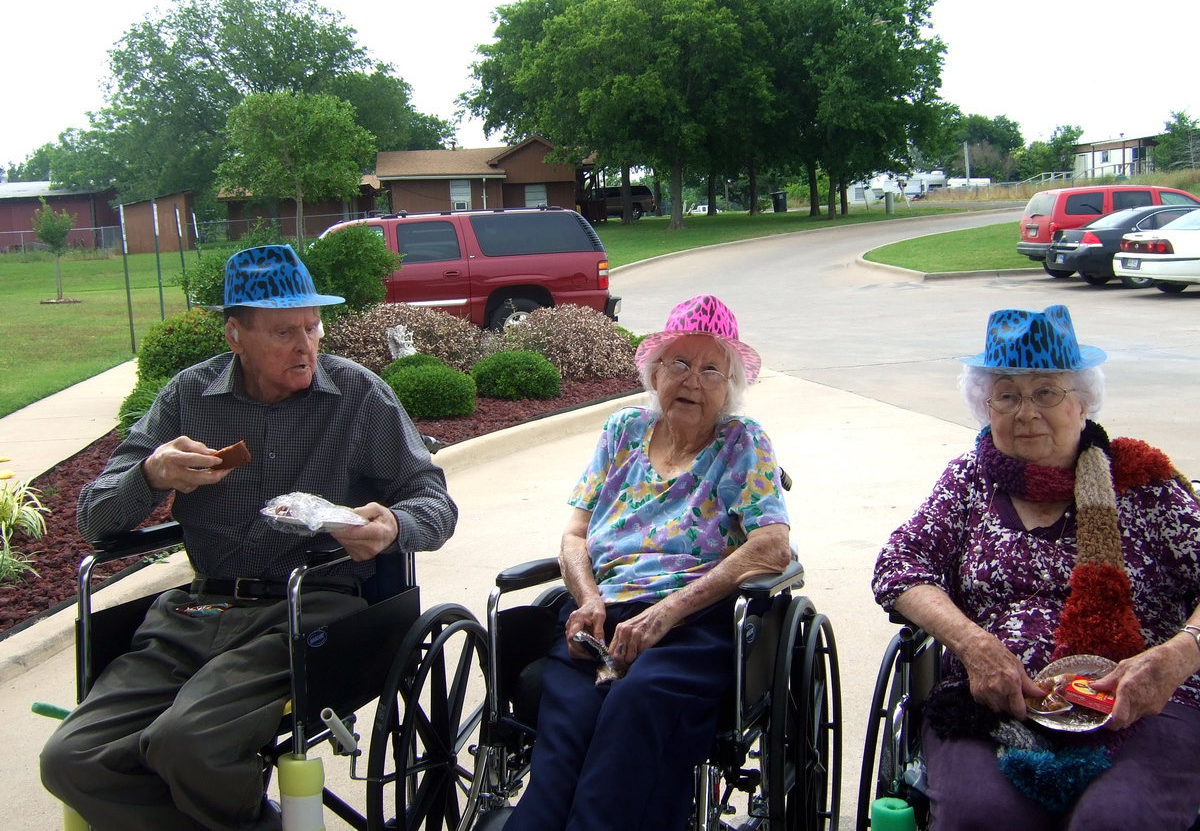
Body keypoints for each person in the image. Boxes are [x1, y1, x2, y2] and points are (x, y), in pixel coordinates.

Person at [40, 244, 458, 831]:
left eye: (313, 326)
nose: (307, 345)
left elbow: (434, 500)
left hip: (307, 608)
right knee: (70, 759)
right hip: (196, 609)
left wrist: (394, 526)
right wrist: (151, 473)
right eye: (285, 331)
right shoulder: (189, 398)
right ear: (235, 334)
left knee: (188, 744)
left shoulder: (357, 396)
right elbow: (94, 520)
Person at [873, 305, 1200, 828]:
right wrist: (974, 645)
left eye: (1046, 391)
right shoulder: (968, 483)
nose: (1026, 411)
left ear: (1083, 401)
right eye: (1006, 393)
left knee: (1115, 818)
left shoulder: (1142, 482)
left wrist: (1178, 655)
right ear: (986, 405)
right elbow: (899, 566)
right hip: (996, 704)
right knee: (985, 814)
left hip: (1143, 702)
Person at [505, 294, 793, 830]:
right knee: (565, 732)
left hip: (691, 625)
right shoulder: (623, 431)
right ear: (655, 370)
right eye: (680, 363)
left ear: (729, 386)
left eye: (712, 369)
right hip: (602, 620)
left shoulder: (740, 442)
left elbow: (773, 544)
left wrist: (670, 611)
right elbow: (574, 534)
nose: (693, 381)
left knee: (635, 709)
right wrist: (588, 597)